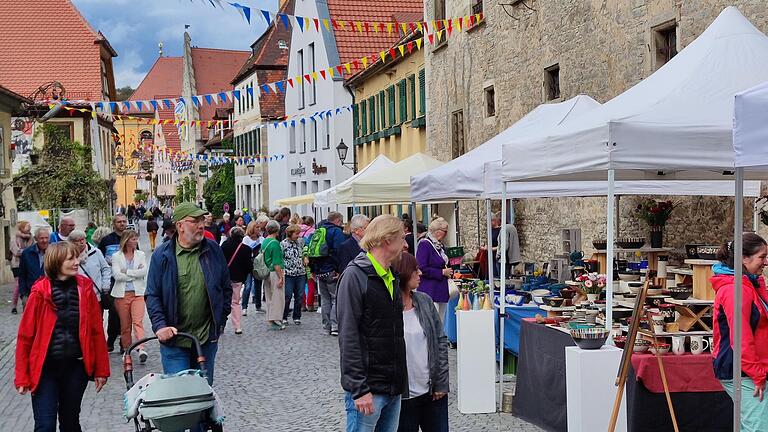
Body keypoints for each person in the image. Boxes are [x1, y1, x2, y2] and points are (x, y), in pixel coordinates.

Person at [15, 241, 109, 431]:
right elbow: (25, 337)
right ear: (56, 262)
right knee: (45, 425)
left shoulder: (85, 289)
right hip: (45, 370)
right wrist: (22, 377)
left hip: (75, 367)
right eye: (71, 258)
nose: (77, 262)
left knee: (70, 422)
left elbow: (96, 332)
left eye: (77, 257)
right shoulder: (39, 293)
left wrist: (101, 370)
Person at [145, 202, 232, 386]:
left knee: (203, 395)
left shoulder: (213, 250)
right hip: (174, 341)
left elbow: (225, 287)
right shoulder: (162, 256)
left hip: (206, 339)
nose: (201, 225)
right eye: (195, 221)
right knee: (181, 395)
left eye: (202, 220)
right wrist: (160, 326)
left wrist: (220, 319)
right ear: (180, 226)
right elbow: (152, 295)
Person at [337, 215, 407, 432]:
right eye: (402, 238)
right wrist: (359, 389)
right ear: (387, 240)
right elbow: (348, 336)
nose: (405, 244)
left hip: (392, 387)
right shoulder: (355, 276)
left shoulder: (390, 275)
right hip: (368, 390)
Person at [712, 233, 768, 432]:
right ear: (744, 258)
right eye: (762, 257)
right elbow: (741, 338)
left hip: (747, 369)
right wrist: (758, 375)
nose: (766, 262)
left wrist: (758, 282)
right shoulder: (736, 289)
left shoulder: (747, 285)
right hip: (743, 371)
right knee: (759, 428)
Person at [396, 253, 450, 432]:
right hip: (403, 397)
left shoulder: (424, 301)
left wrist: (441, 383)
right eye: (415, 269)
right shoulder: (387, 307)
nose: (420, 273)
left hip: (432, 392)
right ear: (403, 273)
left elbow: (441, 342)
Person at [111, 230, 149, 362]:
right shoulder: (116, 256)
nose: (136, 241)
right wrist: (135, 273)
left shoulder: (141, 254)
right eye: (133, 239)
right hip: (122, 295)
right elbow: (117, 275)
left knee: (138, 322)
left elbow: (143, 272)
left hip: (138, 293)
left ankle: (141, 348)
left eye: (136, 239)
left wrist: (127, 271)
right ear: (126, 240)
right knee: (125, 325)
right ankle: (127, 350)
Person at [309, 211, 347, 336]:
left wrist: (313, 270)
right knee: (336, 298)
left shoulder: (318, 230)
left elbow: (311, 251)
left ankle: (326, 327)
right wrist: (338, 269)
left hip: (320, 271)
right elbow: (339, 251)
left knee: (325, 299)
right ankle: (335, 326)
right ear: (337, 221)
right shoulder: (336, 232)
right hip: (331, 270)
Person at [99, 213, 129, 353]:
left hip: (127, 279)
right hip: (112, 280)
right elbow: (100, 259)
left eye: (124, 221)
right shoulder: (106, 240)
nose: (122, 224)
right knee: (114, 311)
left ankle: (124, 343)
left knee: (125, 312)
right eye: (119, 222)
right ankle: (111, 339)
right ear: (114, 224)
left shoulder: (130, 238)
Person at [416, 217, 453, 322]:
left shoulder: (439, 246)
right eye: (444, 231)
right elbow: (421, 268)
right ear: (437, 232)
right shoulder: (424, 244)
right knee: (432, 322)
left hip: (440, 289)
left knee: (440, 322)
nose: (446, 234)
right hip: (430, 290)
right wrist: (441, 272)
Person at [221, 226, 251, 334]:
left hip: (225, 278)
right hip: (238, 279)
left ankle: (221, 324)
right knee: (235, 302)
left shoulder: (225, 246)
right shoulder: (246, 249)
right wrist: (243, 277)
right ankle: (237, 326)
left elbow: (220, 262)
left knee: (223, 301)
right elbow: (248, 266)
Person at [70, 230, 111, 306]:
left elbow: (106, 268)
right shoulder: (68, 257)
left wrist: (105, 286)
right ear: (71, 243)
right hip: (78, 298)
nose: (82, 242)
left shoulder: (96, 252)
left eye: (83, 239)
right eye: (78, 240)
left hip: (96, 295)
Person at [261, 220, 286, 330]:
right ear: (277, 230)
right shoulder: (275, 243)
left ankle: (270, 318)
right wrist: (281, 277)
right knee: (277, 297)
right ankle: (275, 319)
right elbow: (276, 263)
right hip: (274, 272)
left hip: (266, 272)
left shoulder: (265, 241)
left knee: (269, 296)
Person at [242, 216, 268, 315]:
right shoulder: (246, 239)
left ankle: (258, 305)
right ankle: (244, 307)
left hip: (258, 264)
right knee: (248, 286)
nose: (259, 229)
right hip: (248, 264)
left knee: (258, 285)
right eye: (256, 227)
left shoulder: (261, 239)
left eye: (259, 227)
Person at [281, 224, 306, 325]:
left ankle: (297, 316)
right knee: (287, 296)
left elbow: (305, 250)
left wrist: (305, 257)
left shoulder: (300, 242)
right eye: (296, 234)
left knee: (299, 296)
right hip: (288, 273)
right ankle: (284, 315)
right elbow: (281, 257)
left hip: (300, 273)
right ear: (290, 234)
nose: (298, 236)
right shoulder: (283, 244)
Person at [19, 227, 50, 307]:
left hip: (49, 295)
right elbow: (22, 275)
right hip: (31, 293)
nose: (44, 241)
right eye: (41, 238)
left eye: (46, 238)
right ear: (36, 239)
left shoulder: (53, 252)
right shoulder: (27, 253)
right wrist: (23, 295)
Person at [11, 221, 34, 314]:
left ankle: (28, 303)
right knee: (18, 284)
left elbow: (32, 250)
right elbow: (16, 252)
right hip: (16, 264)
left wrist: (24, 251)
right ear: (22, 227)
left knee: (28, 283)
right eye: (27, 226)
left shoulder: (31, 238)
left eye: (30, 226)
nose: (29, 228)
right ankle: (14, 306)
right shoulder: (15, 238)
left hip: (28, 263)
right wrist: (26, 252)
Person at [300, 216, 317, 311]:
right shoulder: (312, 231)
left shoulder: (297, 230)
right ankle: (310, 304)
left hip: (299, 259)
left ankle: (302, 304)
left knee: (302, 283)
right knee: (310, 282)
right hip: (309, 258)